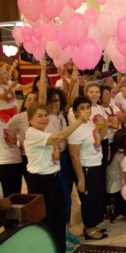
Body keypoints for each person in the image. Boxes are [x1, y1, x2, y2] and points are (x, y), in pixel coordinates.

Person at [24, 102, 90, 252]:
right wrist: (79, 121)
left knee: (59, 216)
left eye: (46, 115)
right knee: (47, 220)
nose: (44, 119)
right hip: (40, 181)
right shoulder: (33, 133)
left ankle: (59, 247)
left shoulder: (43, 134)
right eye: (39, 116)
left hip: (54, 177)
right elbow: (59, 137)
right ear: (31, 120)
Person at [67, 96, 109, 240]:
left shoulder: (91, 123)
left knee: (96, 197)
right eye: (82, 108)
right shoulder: (74, 129)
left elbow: (99, 139)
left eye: (88, 107)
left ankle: (94, 225)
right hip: (86, 168)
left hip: (96, 164)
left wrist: (106, 126)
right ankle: (89, 229)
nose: (86, 110)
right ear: (75, 111)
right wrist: (80, 179)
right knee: (88, 200)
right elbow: (74, 155)